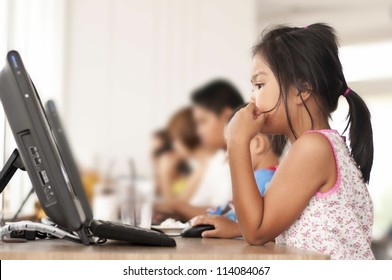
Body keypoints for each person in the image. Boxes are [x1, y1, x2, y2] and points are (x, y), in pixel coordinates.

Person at [225, 24, 374, 259]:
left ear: (302, 89)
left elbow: (256, 231)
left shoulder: (313, 148)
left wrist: (236, 141)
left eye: (260, 85)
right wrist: (234, 229)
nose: (252, 98)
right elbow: (282, 226)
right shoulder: (318, 146)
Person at [154, 80, 244, 222]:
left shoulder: (247, 159)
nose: (198, 131)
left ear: (226, 115)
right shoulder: (217, 160)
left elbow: (227, 214)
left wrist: (174, 206)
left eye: (203, 122)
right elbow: (199, 208)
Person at [192, 105, 287, 238]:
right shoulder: (260, 178)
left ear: (258, 144)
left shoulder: (267, 181)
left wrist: (236, 229)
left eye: (230, 145)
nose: (226, 155)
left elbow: (271, 230)